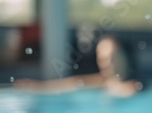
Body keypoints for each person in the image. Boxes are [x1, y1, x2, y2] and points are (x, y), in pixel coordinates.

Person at [15, 34, 143, 97]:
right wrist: (36, 86)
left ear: (125, 56)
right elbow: (76, 82)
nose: (106, 63)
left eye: (112, 57)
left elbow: (129, 90)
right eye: (102, 58)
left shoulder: (137, 84)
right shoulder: (103, 81)